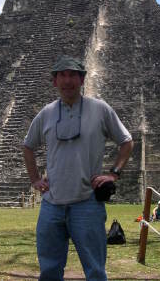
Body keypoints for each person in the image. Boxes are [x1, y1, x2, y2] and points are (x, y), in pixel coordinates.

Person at [24, 55, 134, 281]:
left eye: (73, 75)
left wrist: (114, 173)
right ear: (54, 81)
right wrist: (35, 179)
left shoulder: (100, 109)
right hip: (51, 205)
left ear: (82, 80)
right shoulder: (46, 113)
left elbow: (127, 142)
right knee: (49, 271)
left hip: (87, 204)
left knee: (95, 270)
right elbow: (27, 146)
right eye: (61, 75)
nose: (67, 81)